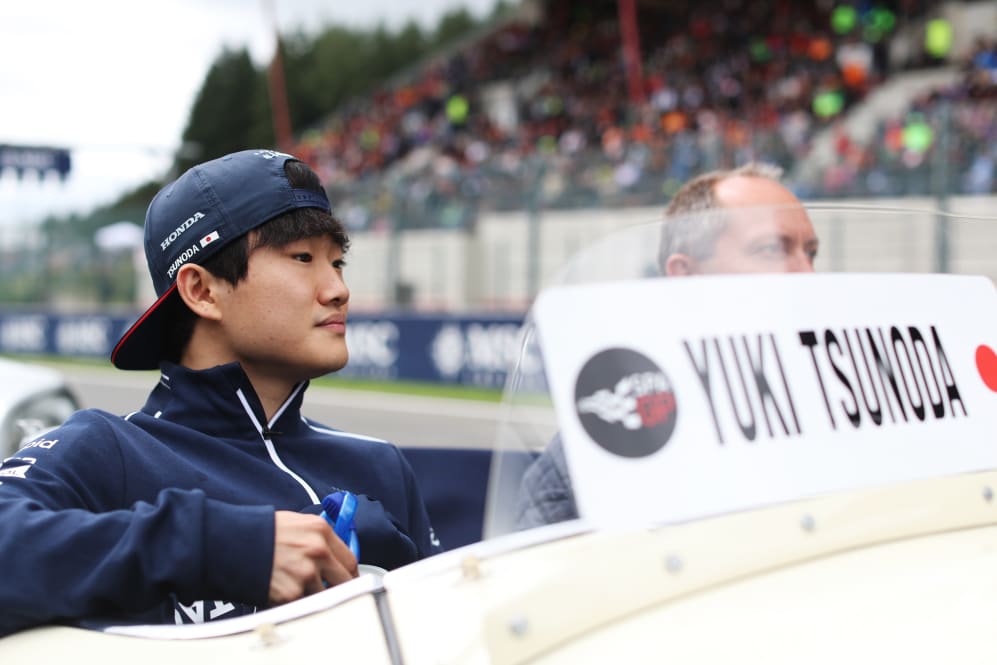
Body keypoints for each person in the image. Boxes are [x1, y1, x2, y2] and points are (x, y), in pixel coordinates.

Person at [0, 149, 441, 636]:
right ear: (203, 292)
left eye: (337, 262)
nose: (338, 288)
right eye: (302, 258)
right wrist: (226, 546)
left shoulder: (382, 465)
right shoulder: (109, 449)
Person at [514, 162, 819, 528]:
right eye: (771, 248)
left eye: (810, 252)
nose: (808, 275)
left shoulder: (852, 405)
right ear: (686, 275)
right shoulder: (609, 446)